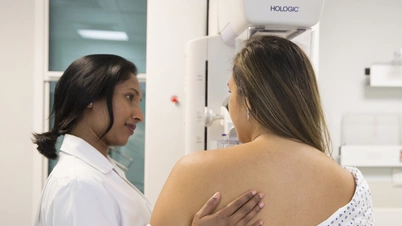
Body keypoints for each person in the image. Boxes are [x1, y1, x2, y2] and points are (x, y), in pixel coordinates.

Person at [150, 35, 375, 225]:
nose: (229, 104)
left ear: (248, 100)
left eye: (232, 91)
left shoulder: (192, 172)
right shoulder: (352, 187)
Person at [32, 54, 266, 226]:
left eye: (138, 101)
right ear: (89, 98)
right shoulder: (77, 184)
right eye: (129, 97)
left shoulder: (97, 173)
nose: (139, 115)